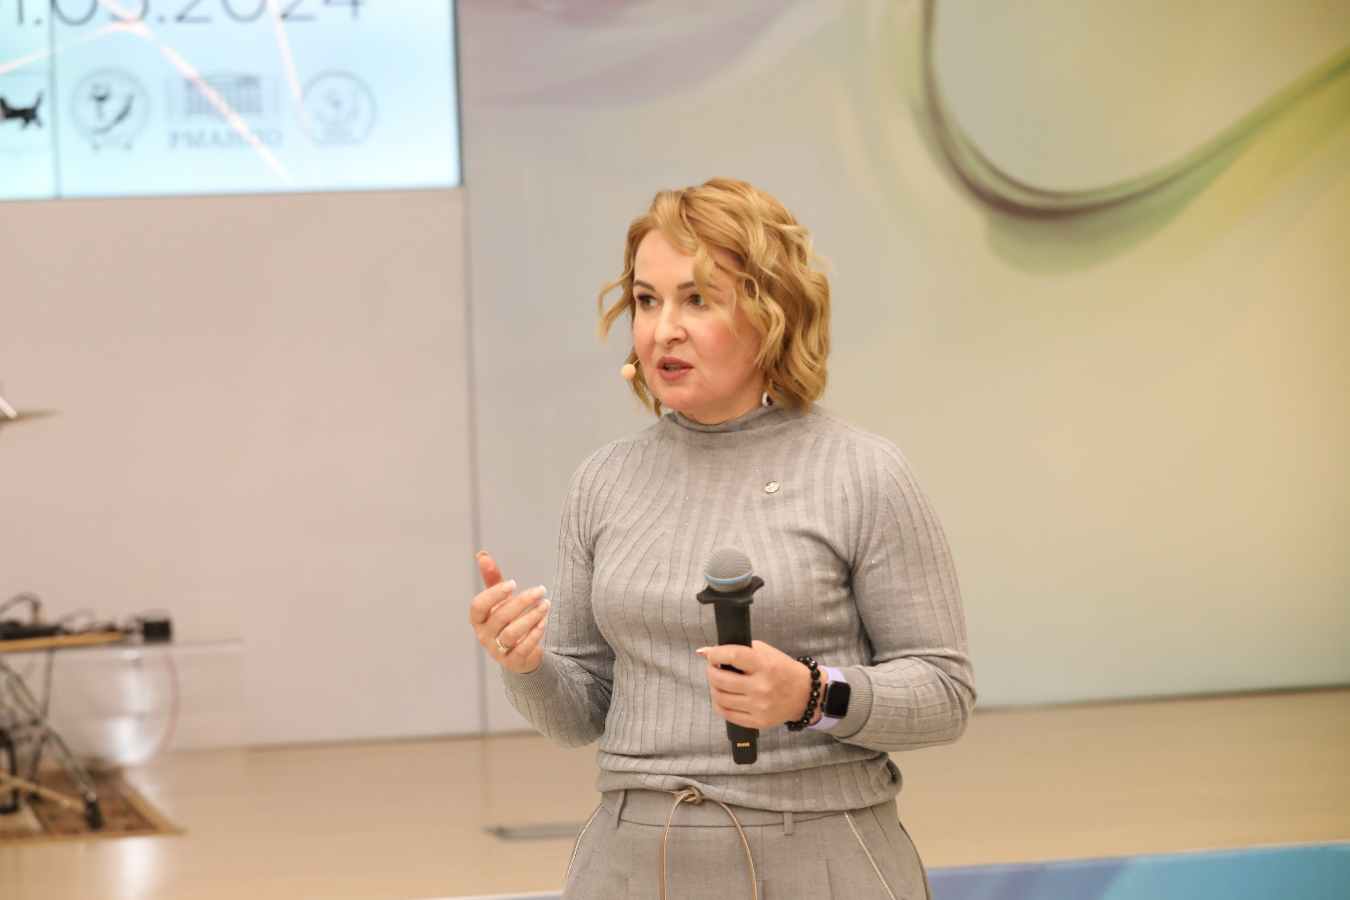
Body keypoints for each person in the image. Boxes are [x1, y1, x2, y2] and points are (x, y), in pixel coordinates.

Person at [469, 178, 974, 900]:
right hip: (630, 867)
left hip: (823, 861)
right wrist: (524, 664)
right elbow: (581, 713)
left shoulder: (863, 471)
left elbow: (944, 693)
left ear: (772, 315)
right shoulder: (603, 481)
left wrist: (812, 694)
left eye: (698, 300)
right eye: (647, 300)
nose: (662, 330)